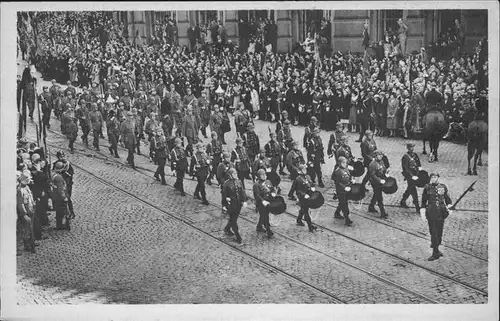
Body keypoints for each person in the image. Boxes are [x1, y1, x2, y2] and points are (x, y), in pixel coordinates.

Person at [420, 172, 452, 261]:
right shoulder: (427, 187)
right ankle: (435, 253)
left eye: (435, 177)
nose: (433, 179)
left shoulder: (443, 187)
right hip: (431, 212)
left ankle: (437, 249)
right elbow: (423, 201)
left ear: (438, 177)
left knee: (439, 232)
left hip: (441, 213)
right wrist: (423, 210)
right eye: (432, 177)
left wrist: (449, 206)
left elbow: (447, 198)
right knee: (433, 233)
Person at [222, 167, 247, 244]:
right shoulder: (226, 184)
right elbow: (224, 196)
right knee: (234, 221)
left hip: (238, 204)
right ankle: (238, 236)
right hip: (231, 205)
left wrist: (244, 201)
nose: (236, 175)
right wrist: (224, 206)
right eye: (234, 173)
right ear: (230, 175)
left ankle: (227, 229)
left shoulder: (239, 182)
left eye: (236, 173)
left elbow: (242, 192)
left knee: (234, 219)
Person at [17, 171, 38, 253]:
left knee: (30, 229)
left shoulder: (27, 187)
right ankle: (27, 245)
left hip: (31, 209)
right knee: (26, 229)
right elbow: (20, 204)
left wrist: (33, 204)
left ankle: (30, 243)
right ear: (24, 180)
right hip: (26, 212)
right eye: (28, 179)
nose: (30, 180)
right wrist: (24, 214)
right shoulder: (19, 190)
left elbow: (30, 197)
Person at [292, 163, 318, 232]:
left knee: (303, 209)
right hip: (302, 197)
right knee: (306, 211)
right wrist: (303, 195)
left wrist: (313, 188)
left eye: (305, 169)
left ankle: (299, 219)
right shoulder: (298, 179)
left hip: (309, 195)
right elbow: (297, 190)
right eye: (303, 169)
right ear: (300, 171)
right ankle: (310, 226)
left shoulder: (308, 176)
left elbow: (311, 184)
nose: (305, 170)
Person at [332, 156, 356, 225]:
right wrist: (344, 187)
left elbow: (348, 176)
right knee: (344, 205)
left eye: (345, 162)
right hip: (341, 191)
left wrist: (352, 180)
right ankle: (347, 219)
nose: (345, 164)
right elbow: (338, 183)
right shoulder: (337, 172)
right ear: (339, 163)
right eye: (343, 163)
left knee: (342, 203)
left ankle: (337, 213)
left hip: (347, 189)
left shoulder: (346, 169)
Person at [253, 168, 275, 239]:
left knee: (263, 216)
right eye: (262, 175)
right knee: (265, 216)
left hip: (268, 202)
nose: (264, 176)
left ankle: (259, 226)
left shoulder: (268, 182)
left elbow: (272, 189)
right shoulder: (256, 184)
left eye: (265, 174)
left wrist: (274, 193)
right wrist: (262, 201)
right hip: (261, 203)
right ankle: (268, 231)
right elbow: (257, 195)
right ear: (259, 176)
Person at [400, 143, 422, 213]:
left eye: (412, 147)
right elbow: (406, 168)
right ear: (407, 148)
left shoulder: (415, 155)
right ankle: (417, 207)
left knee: (410, 188)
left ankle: (403, 200)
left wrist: (420, 171)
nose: (411, 149)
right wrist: (412, 176)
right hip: (409, 176)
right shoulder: (405, 157)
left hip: (416, 174)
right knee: (413, 190)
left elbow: (418, 163)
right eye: (410, 147)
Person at [51, 161, 72, 230]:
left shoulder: (53, 174)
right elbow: (61, 189)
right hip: (60, 198)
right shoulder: (59, 177)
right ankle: (62, 225)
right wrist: (64, 197)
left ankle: (59, 225)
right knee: (63, 212)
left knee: (58, 212)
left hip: (55, 196)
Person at [368, 150, 388, 218]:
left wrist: (386, 172)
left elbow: (383, 169)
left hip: (380, 180)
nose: (381, 156)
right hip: (375, 182)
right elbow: (372, 175)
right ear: (375, 156)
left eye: (381, 155)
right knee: (379, 196)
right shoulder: (373, 164)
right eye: (379, 155)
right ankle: (383, 212)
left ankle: (371, 206)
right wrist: (379, 180)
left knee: (376, 194)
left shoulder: (381, 162)